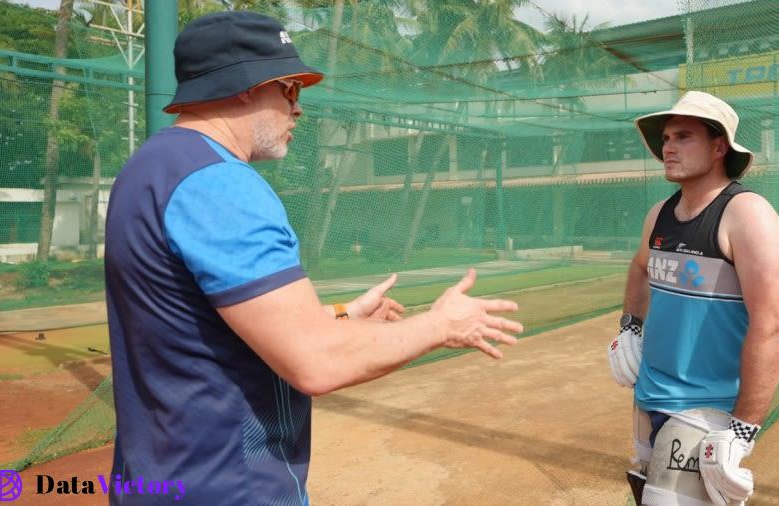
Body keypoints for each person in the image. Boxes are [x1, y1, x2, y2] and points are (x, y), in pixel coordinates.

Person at [104, 11, 522, 506]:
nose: (297, 108)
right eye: (288, 88)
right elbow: (315, 364)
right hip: (229, 486)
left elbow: (207, 330)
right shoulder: (220, 184)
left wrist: (343, 315)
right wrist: (441, 324)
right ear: (244, 84)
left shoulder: (150, 166)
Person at [607, 91, 779, 506]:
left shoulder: (747, 215)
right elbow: (640, 267)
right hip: (649, 398)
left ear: (719, 145)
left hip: (706, 408)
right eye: (666, 137)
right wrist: (630, 326)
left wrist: (742, 431)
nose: (668, 146)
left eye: (684, 136)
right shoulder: (659, 214)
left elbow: (772, 325)